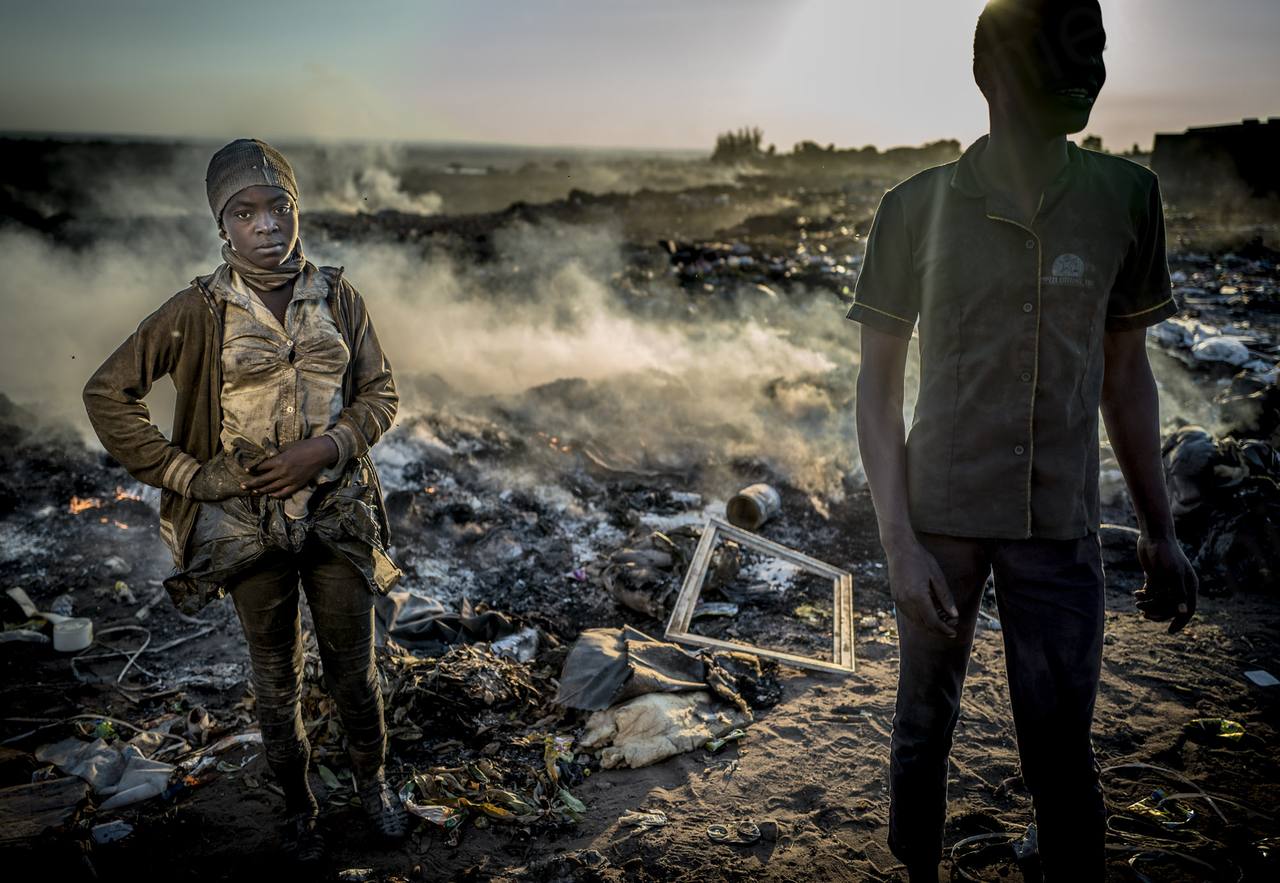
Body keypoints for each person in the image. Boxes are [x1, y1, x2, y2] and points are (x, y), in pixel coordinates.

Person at [848, 2, 1199, 880]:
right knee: (922, 726)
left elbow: (1126, 377)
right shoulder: (914, 208)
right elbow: (877, 388)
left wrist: (1159, 529)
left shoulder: (1126, 199)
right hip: (940, 520)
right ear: (996, 72)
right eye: (1064, 50)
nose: (1088, 70)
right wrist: (899, 546)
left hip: (1059, 524)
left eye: (1096, 48)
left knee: (1061, 745)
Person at [83, 139, 408, 864]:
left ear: (297, 208)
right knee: (274, 675)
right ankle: (297, 808)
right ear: (222, 225)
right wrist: (190, 476)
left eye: (279, 206)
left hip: (336, 512)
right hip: (243, 525)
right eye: (245, 212)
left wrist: (325, 449)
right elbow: (107, 392)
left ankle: (376, 786)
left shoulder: (339, 297)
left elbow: (381, 393)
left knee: (354, 669)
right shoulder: (198, 310)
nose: (266, 224)